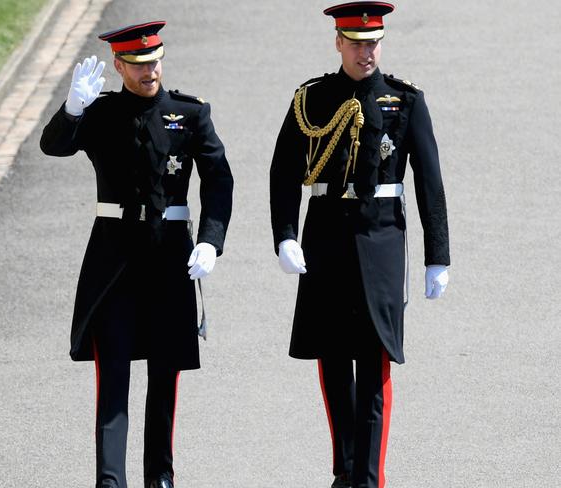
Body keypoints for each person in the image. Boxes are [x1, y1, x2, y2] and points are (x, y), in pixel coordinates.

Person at [40, 20, 233, 488]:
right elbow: (53, 146)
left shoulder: (189, 112)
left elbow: (219, 178)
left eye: (155, 61)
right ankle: (110, 479)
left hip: (169, 256)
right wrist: (72, 109)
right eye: (139, 65)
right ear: (119, 65)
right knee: (114, 373)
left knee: (165, 372)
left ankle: (160, 475)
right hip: (115, 258)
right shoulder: (101, 113)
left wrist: (210, 239)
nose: (150, 72)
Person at [269, 2, 450, 487]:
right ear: (338, 43)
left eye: (373, 42)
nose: (365, 51)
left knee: (373, 359)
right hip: (326, 232)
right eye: (356, 42)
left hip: (381, 237)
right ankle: (345, 469)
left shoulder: (404, 100)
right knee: (331, 356)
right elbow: (284, 170)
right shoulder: (312, 98)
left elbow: (430, 183)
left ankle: (370, 478)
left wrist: (438, 258)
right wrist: (284, 234)